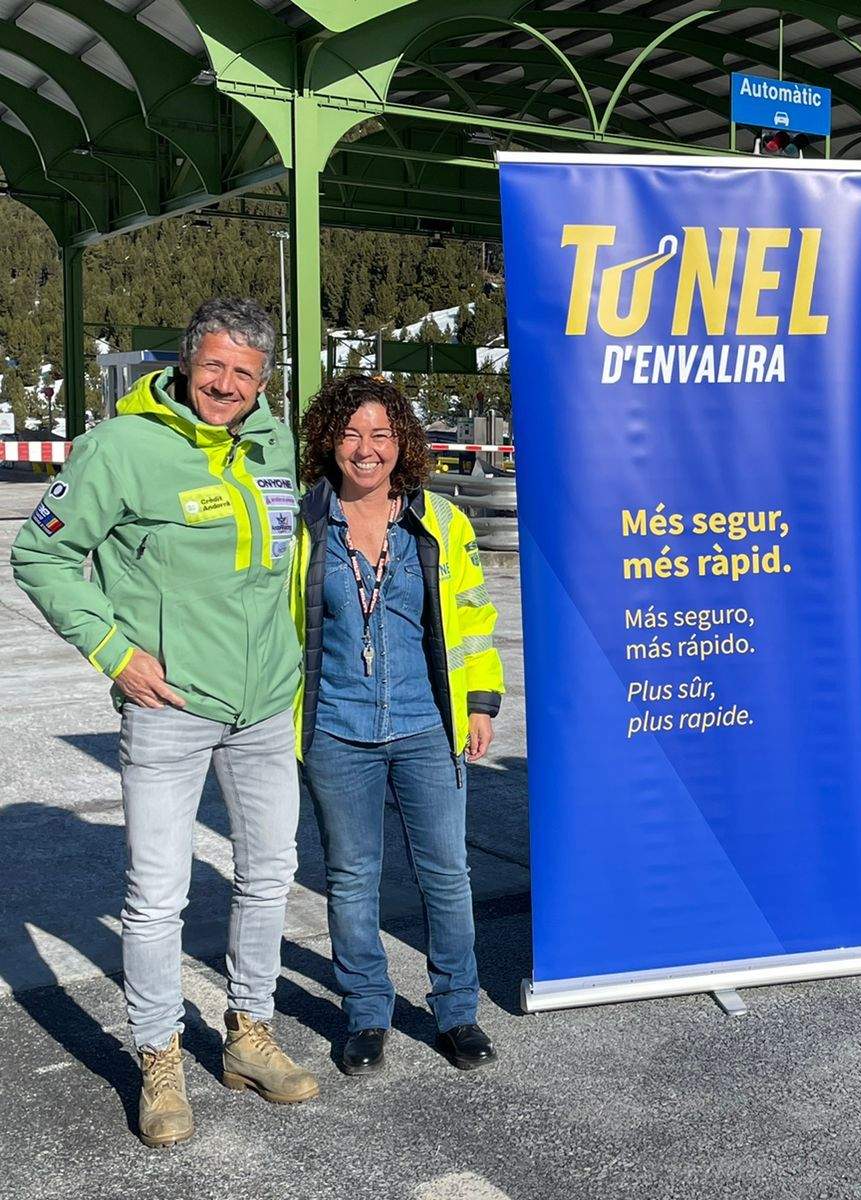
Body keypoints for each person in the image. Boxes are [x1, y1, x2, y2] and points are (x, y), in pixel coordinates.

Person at [11, 298, 316, 1148]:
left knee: (268, 876)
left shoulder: (274, 444)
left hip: (263, 707)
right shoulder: (121, 448)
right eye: (213, 366)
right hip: (168, 709)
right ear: (188, 363)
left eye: (244, 373)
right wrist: (115, 651)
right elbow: (40, 551)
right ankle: (158, 1056)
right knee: (157, 899)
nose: (225, 385)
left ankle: (249, 1033)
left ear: (265, 379)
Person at [290, 375, 505, 1076]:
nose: (365, 448)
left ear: (401, 442)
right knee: (353, 879)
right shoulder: (302, 522)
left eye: (380, 434)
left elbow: (472, 619)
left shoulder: (441, 522)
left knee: (445, 875)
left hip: (424, 724)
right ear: (328, 440)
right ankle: (366, 1013)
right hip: (337, 729)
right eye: (350, 433)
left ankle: (456, 1013)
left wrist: (480, 702)